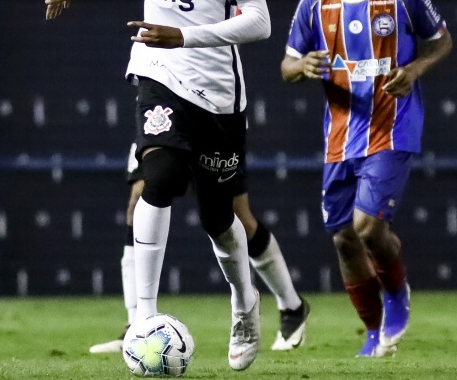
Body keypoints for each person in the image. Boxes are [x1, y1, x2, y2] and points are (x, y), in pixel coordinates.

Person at [46, 0, 271, 371]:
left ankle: (245, 301)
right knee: (162, 178)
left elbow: (261, 21)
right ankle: (143, 318)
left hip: (215, 89)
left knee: (220, 218)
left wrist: (185, 34)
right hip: (155, 68)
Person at [280, 0, 453, 357]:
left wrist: (413, 71)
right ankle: (374, 332)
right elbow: (285, 65)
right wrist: (303, 66)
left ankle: (397, 295)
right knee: (343, 239)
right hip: (339, 135)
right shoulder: (312, 5)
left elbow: (442, 41)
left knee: (368, 227)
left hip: (392, 128)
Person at [89, 144, 310, 354]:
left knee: (237, 216)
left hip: (211, 112)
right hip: (164, 110)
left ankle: (292, 308)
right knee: (140, 196)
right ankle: (137, 326)